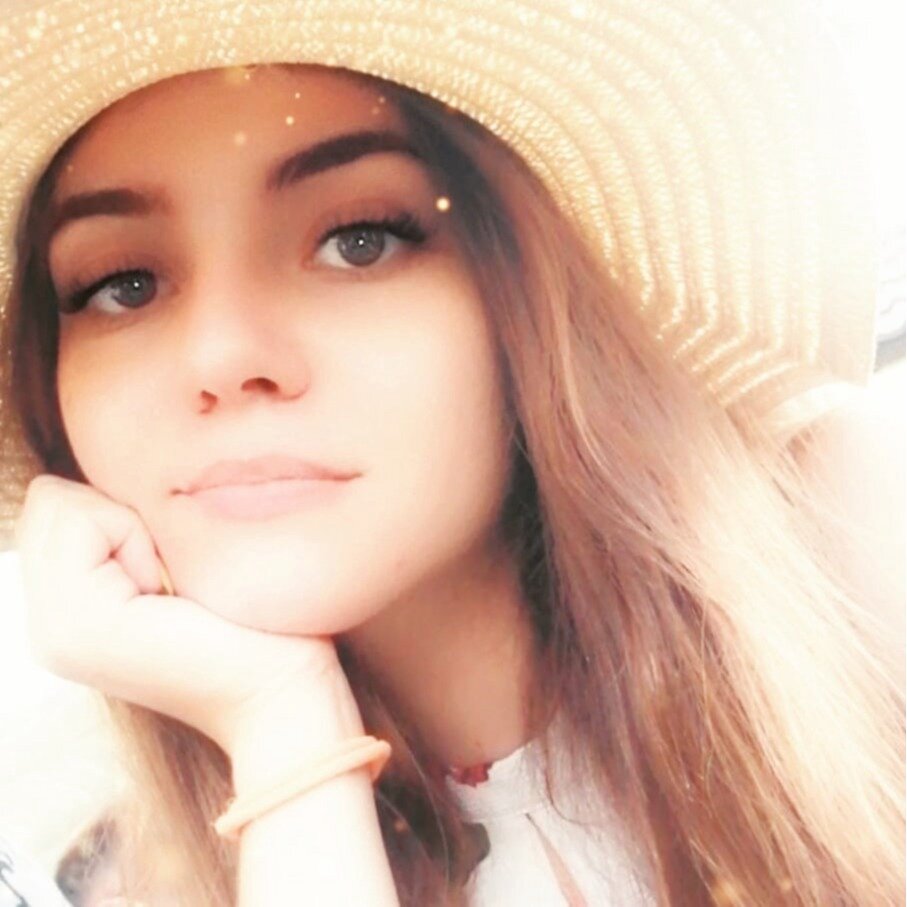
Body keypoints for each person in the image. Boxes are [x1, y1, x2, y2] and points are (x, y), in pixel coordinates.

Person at [0, 2, 903, 906]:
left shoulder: (843, 543)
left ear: (523, 290)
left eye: (359, 241)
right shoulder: (138, 883)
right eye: (123, 285)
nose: (222, 357)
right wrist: (280, 725)